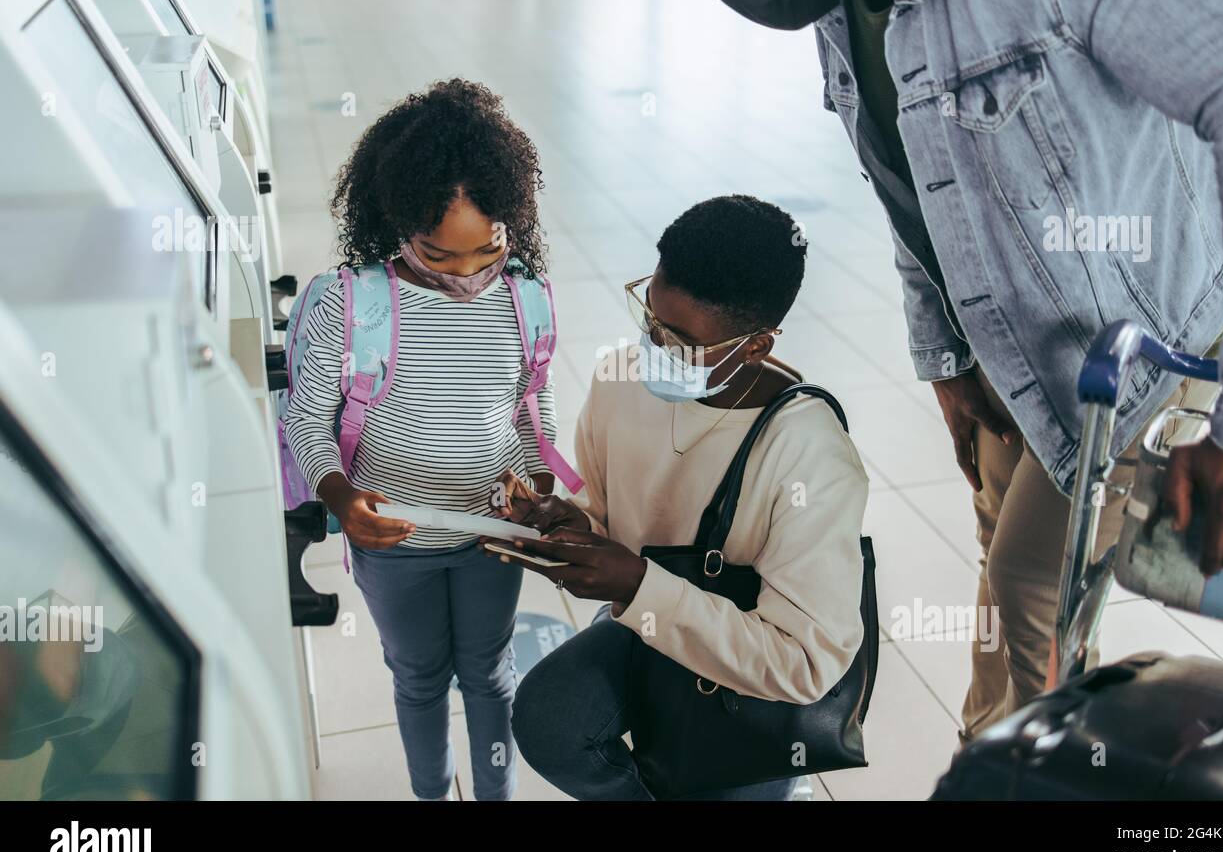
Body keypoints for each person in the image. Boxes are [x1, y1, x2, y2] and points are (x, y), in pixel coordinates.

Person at [671, 0, 1223, 741]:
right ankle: (987, 761)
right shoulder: (838, 4)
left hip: (1145, 339)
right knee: (1004, 578)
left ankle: (1030, 774)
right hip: (1012, 348)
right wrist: (947, 357)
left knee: (1029, 585)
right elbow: (910, 182)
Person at [491, 196, 869, 800]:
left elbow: (805, 663)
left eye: (681, 341)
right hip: (648, 625)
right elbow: (608, 515)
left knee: (716, 783)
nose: (655, 350)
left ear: (755, 348)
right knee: (547, 720)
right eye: (650, 321)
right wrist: (571, 523)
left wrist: (637, 585)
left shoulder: (809, 454)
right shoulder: (621, 382)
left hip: (752, 677)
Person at [283, 79, 560, 801]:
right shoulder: (352, 304)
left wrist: (539, 486)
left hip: (490, 538)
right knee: (418, 677)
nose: (468, 274)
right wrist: (342, 499)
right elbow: (307, 420)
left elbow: (534, 401)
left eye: (487, 250)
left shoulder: (526, 296)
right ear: (398, 226)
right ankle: (432, 793)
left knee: (489, 673)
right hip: (394, 547)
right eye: (441, 255)